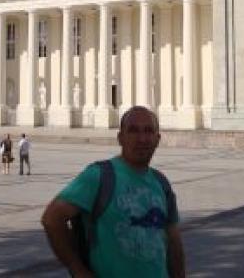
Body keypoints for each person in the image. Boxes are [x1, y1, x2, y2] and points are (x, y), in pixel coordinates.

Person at [40, 106, 185, 278]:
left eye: (148, 130)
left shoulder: (161, 183)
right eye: (133, 131)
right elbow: (52, 218)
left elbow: (173, 242)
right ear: (120, 137)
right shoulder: (98, 176)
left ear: (157, 138)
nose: (142, 138)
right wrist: (76, 268)